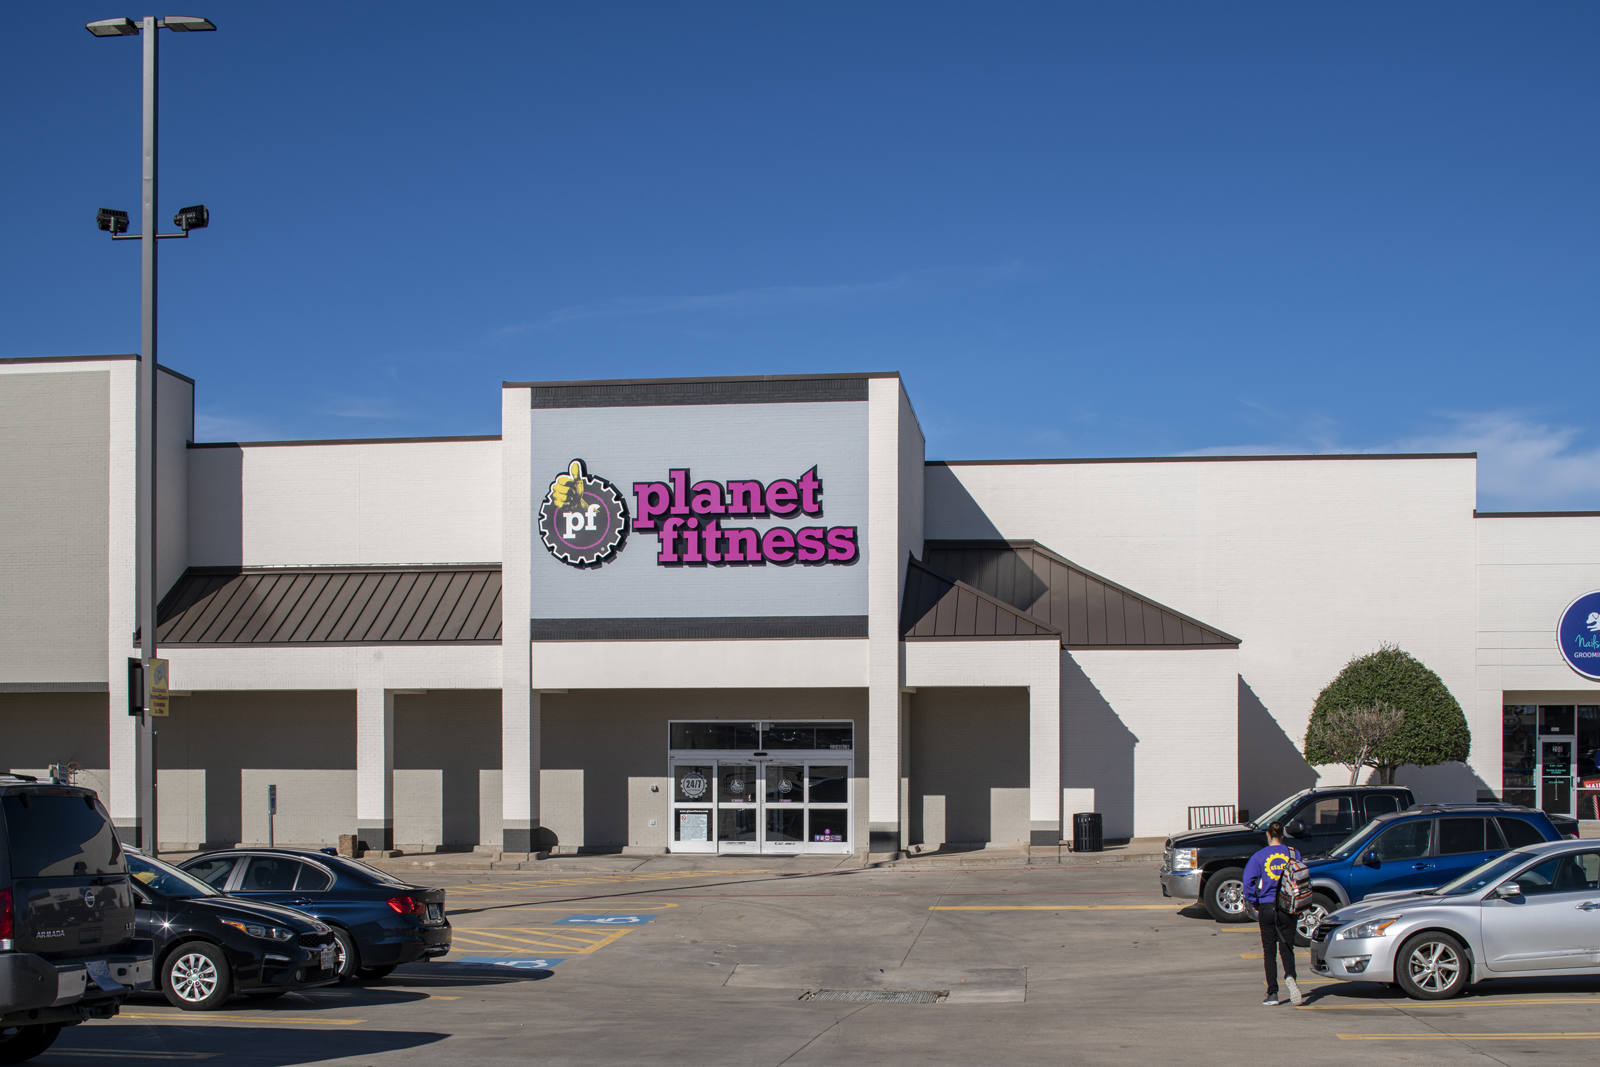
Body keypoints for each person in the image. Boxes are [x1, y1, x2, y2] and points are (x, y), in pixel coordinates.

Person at [1241, 821, 1303, 1006]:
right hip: (1287, 906)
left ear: (1268, 835)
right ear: (1282, 836)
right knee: (1287, 947)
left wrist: (1254, 902)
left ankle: (1273, 993)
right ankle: (1290, 976)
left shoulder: (1259, 856)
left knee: (1269, 951)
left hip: (1267, 906)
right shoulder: (1293, 853)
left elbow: (1248, 882)